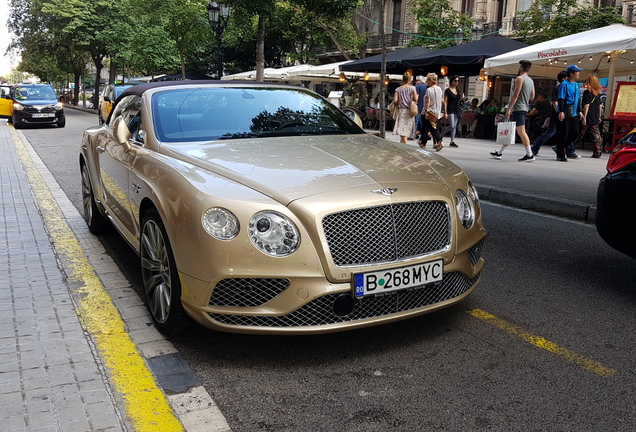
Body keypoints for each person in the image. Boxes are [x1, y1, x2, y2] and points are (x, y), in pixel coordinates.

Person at [491, 60, 535, 161]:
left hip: (518, 107)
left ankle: (530, 154)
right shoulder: (530, 80)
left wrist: (509, 109)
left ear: (520, 68)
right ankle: (500, 152)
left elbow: (515, 95)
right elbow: (532, 97)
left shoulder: (520, 78)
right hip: (524, 107)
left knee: (521, 131)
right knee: (511, 130)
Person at [531, 71, 567, 156]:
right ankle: (535, 147)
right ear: (563, 78)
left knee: (565, 132)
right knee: (551, 132)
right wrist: (558, 111)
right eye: (567, 77)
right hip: (556, 114)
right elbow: (555, 101)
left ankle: (565, 149)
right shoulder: (558, 88)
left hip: (564, 113)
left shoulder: (567, 88)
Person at [555, 64, 585, 162]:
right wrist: (561, 111)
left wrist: (580, 111)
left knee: (575, 132)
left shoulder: (576, 85)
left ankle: (560, 147)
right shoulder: (564, 84)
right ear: (572, 74)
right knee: (564, 132)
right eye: (577, 72)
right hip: (567, 109)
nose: (579, 73)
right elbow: (561, 98)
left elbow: (578, 99)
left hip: (575, 110)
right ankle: (560, 154)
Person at [578, 74, 604, 158]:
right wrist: (599, 117)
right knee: (596, 135)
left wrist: (584, 118)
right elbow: (600, 106)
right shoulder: (598, 93)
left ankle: (567, 147)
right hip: (595, 116)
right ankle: (598, 151)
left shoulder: (587, 92)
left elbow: (586, 106)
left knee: (579, 133)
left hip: (588, 116)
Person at [392, 72, 418, 144]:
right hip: (409, 110)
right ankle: (405, 144)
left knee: (402, 128)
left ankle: (402, 144)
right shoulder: (412, 88)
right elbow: (415, 99)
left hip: (401, 110)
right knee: (406, 129)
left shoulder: (398, 89)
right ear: (409, 79)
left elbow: (395, 100)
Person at [421, 72, 444, 151]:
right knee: (431, 127)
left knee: (429, 128)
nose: (426, 81)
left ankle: (438, 141)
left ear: (431, 80)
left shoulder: (429, 90)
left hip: (430, 111)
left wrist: (426, 111)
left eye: (428, 80)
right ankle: (423, 142)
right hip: (437, 111)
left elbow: (427, 101)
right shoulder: (439, 89)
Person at [441, 75, 461, 148]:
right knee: (452, 125)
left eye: (458, 81)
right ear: (451, 81)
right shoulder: (448, 90)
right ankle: (441, 134)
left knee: (454, 126)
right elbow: (445, 101)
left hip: (456, 110)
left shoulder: (458, 91)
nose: (457, 82)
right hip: (450, 109)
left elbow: (459, 101)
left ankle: (452, 141)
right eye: (455, 81)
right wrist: (445, 112)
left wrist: (462, 98)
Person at [414, 75, 427, 141]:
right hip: (425, 107)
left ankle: (414, 134)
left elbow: (415, 97)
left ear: (419, 81)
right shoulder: (427, 87)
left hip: (418, 106)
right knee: (423, 122)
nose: (415, 82)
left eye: (416, 80)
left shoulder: (417, 87)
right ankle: (423, 135)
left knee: (416, 121)